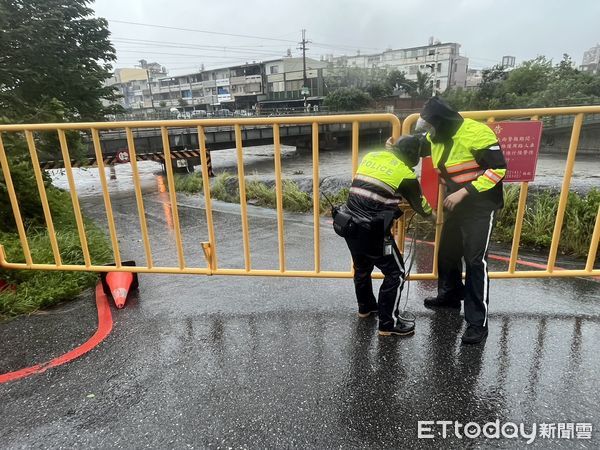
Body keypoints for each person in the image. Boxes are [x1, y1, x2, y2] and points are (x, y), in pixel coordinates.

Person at [416, 96, 507, 344]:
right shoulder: (437, 137)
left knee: (475, 261)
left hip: (480, 204)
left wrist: (464, 192)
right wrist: (397, 147)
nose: (428, 133)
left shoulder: (477, 133)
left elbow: (498, 169)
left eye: (430, 127)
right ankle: (450, 296)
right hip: (455, 204)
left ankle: (478, 322)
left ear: (442, 123)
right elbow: (419, 144)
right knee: (447, 253)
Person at [336, 136, 434, 337]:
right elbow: (420, 205)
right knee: (395, 273)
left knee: (362, 268)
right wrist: (436, 218)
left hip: (348, 224)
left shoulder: (371, 156)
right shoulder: (405, 174)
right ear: (413, 157)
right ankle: (389, 324)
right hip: (373, 232)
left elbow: (378, 182)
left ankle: (366, 308)